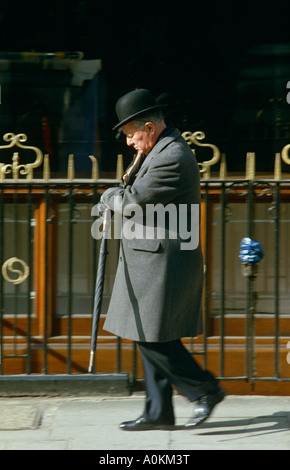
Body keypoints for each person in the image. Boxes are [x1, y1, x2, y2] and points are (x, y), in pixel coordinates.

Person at [100, 88, 226, 430]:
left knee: (152, 336)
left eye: (131, 134)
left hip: (162, 263)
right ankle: (158, 412)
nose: (128, 142)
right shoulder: (159, 148)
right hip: (149, 259)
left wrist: (109, 194)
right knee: (150, 333)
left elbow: (132, 200)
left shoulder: (172, 156)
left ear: (150, 128)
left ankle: (204, 389)